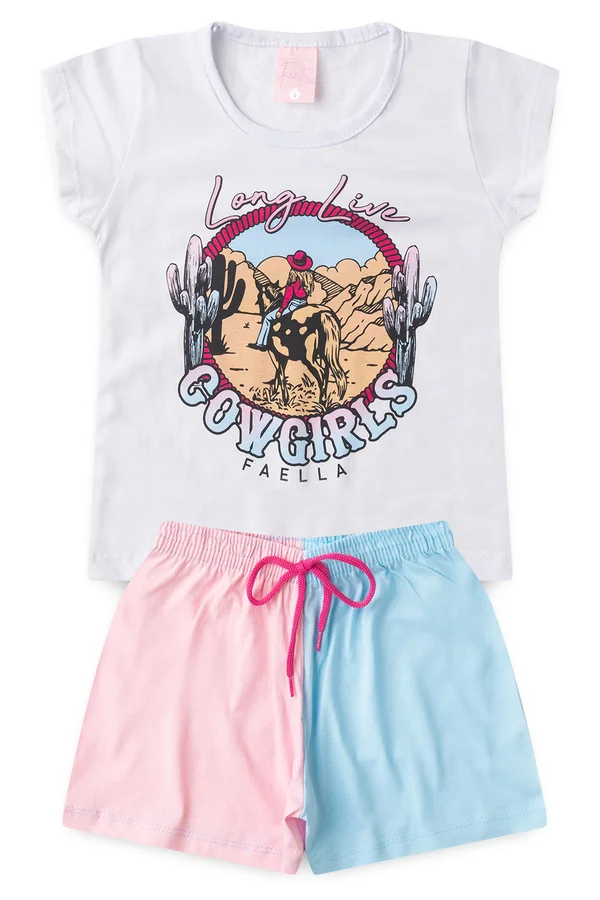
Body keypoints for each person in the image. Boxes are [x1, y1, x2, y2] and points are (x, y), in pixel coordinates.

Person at [249, 250, 315, 350]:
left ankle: (261, 344)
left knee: (268, 318)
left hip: (293, 304)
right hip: (303, 303)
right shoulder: (308, 277)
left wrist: (281, 310)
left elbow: (288, 297)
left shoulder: (293, 278)